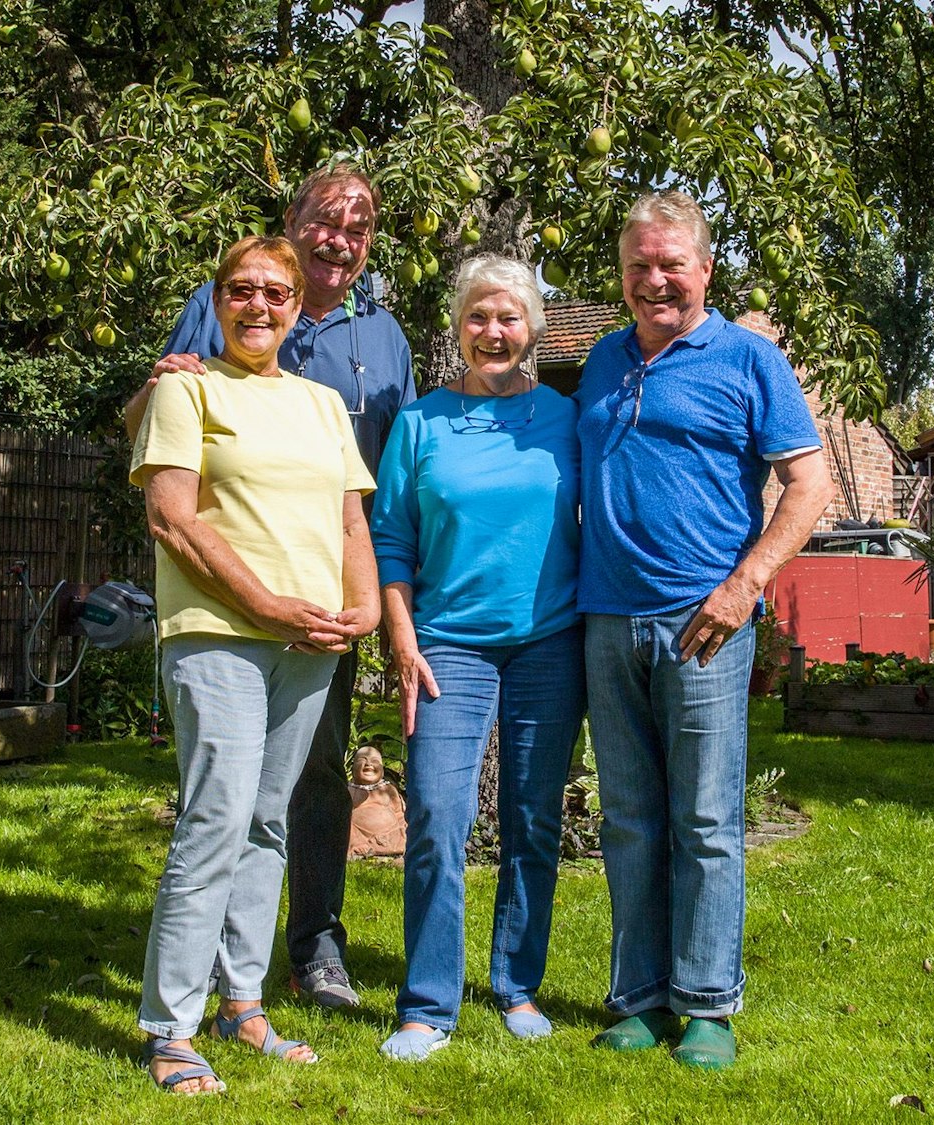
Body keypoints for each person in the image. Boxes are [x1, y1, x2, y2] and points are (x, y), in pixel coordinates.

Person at [127, 164, 415, 1009]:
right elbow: (156, 442)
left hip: (323, 611)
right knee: (221, 804)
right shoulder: (226, 306)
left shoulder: (384, 339)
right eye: (325, 221)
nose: (341, 240)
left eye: (358, 230)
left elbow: (370, 495)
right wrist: (152, 387)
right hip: (226, 604)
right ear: (292, 224)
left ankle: (307, 951)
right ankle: (185, 1001)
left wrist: (376, 602)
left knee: (312, 781)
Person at [574, 191, 836, 1070]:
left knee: (708, 817)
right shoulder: (603, 363)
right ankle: (642, 999)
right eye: (639, 266)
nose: (655, 280)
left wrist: (745, 586)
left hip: (706, 625)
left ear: (705, 269)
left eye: (671, 264)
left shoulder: (749, 359)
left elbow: (808, 484)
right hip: (608, 619)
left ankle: (709, 1004)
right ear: (622, 275)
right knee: (633, 818)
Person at [369, 255, 584, 1062]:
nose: (495, 332)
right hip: (446, 646)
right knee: (434, 816)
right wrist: (400, 634)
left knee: (531, 818)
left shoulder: (567, 418)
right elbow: (390, 539)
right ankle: (427, 1002)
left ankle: (516, 984)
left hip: (549, 642)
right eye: (479, 317)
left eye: (511, 318)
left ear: (533, 327)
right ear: (458, 325)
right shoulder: (420, 423)